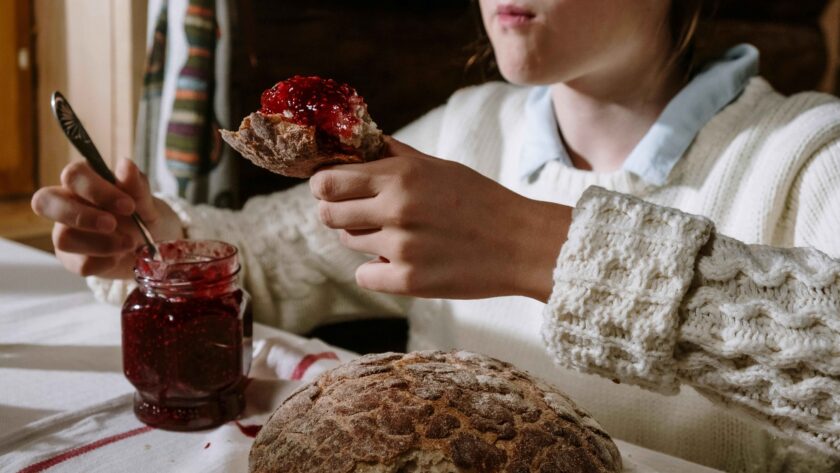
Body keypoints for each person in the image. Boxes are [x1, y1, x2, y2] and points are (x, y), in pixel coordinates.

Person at [31, 0, 840, 471]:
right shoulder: (468, 128)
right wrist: (161, 240)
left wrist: (538, 248)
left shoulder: (808, 155)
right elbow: (273, 258)